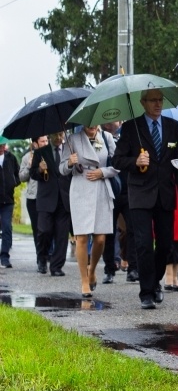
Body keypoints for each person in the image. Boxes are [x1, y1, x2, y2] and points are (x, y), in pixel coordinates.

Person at [112, 89, 178, 309]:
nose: (158, 104)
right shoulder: (130, 128)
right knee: (143, 244)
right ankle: (146, 292)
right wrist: (135, 161)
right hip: (140, 194)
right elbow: (117, 160)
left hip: (165, 194)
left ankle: (154, 282)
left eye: (160, 100)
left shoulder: (172, 128)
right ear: (143, 103)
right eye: (153, 100)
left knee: (165, 245)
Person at [60, 125, 119, 297]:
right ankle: (84, 280)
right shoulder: (72, 139)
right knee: (82, 237)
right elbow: (62, 169)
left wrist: (103, 172)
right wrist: (70, 162)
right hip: (80, 189)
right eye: (88, 123)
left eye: (94, 122)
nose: (92, 126)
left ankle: (92, 269)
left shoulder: (107, 138)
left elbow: (118, 164)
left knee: (100, 239)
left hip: (101, 187)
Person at [31, 132, 72, 276]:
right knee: (44, 231)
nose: (59, 137)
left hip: (64, 199)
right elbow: (33, 174)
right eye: (56, 134)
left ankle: (56, 266)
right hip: (46, 199)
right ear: (50, 135)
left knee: (62, 235)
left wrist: (73, 164)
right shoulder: (41, 152)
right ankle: (42, 259)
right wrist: (39, 170)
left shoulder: (69, 151)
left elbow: (76, 172)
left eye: (61, 134)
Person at [19, 135, 48, 273]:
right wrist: (30, 167)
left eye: (46, 140)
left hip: (48, 196)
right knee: (38, 229)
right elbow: (22, 177)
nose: (45, 143)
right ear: (35, 143)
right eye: (42, 141)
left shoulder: (50, 154)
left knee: (48, 229)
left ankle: (48, 254)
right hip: (33, 197)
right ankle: (40, 258)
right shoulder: (26, 157)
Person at [99, 121, 124, 284]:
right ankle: (109, 268)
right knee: (109, 231)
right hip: (111, 188)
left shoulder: (130, 132)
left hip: (130, 188)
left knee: (133, 230)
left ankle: (134, 268)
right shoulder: (104, 137)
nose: (119, 122)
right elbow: (115, 162)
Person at [0, 139, 21, 269]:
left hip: (7, 200)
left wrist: (13, 183)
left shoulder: (11, 157)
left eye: (2, 144)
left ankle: (4, 257)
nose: (1, 147)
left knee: (7, 227)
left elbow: (18, 175)